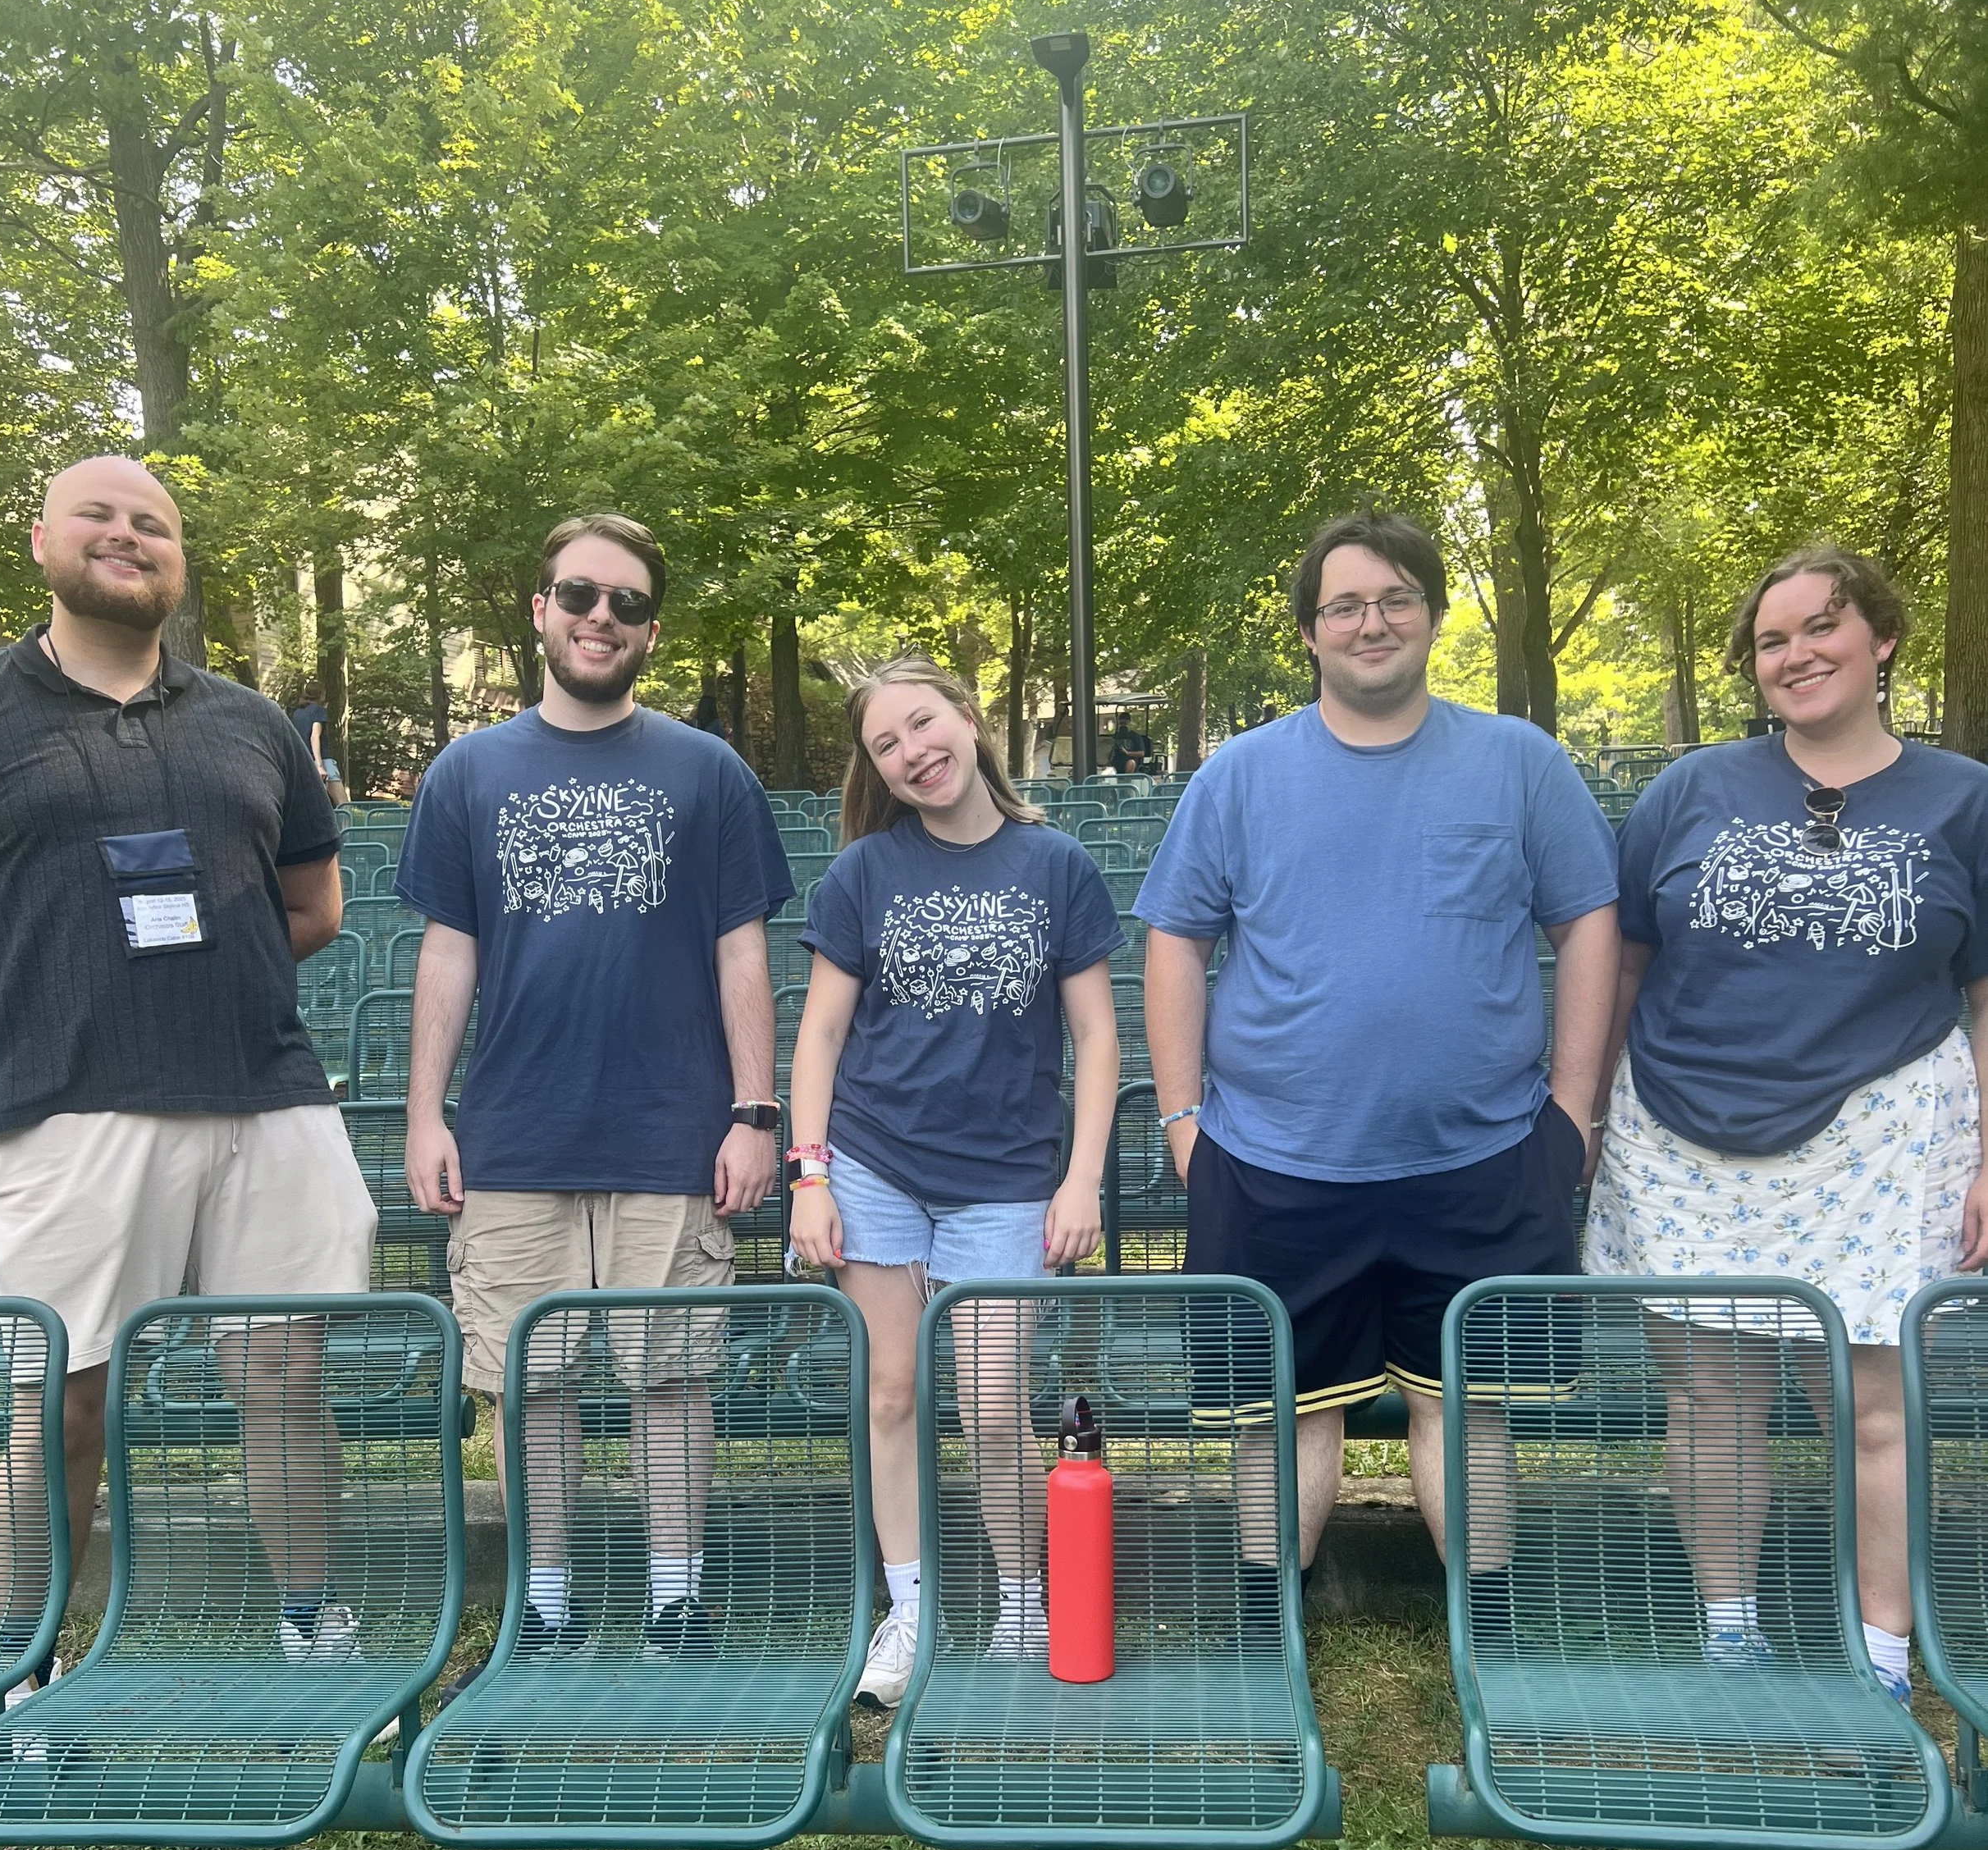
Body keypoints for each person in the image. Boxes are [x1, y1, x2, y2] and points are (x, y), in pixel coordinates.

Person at [0, 454, 376, 1682]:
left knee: (285, 1376)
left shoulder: (248, 721)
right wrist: (26, 975)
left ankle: (317, 1627)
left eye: (155, 524)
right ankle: (21, 1674)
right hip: (67, 1105)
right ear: (41, 541)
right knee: (68, 1402)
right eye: (100, 516)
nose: (128, 537)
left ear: (179, 561)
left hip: (266, 1093)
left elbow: (314, 903)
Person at [1139, 508, 1620, 1623]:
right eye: (1345, 603)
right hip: (1274, 1160)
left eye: (1397, 596)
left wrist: (1573, 1109)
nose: (1372, 621)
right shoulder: (1241, 774)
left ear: (1435, 614)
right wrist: (1180, 1119)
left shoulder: (1519, 762)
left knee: (1470, 1406)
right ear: (1308, 631)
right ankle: (1272, 1622)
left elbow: (1588, 920)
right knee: (1282, 1409)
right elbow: (1175, 939)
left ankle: (1484, 1626)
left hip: (1489, 1154)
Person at [1585, 544, 1988, 1703]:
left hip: (1885, 1129)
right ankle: (1730, 1631)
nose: (1798, 653)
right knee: (1714, 1398)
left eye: (1823, 627)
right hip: (1681, 1131)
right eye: (1773, 640)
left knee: (1872, 1405)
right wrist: (1591, 1117)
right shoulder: (1688, 792)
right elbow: (1623, 967)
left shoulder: (1964, 800)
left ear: (1882, 640)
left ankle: (1884, 1659)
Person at [399, 512, 791, 1659]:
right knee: (535, 1383)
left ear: (651, 630)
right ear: (540, 610)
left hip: (671, 1132)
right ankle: (547, 1597)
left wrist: (754, 1111)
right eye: (578, 595)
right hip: (515, 1135)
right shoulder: (470, 770)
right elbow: (448, 953)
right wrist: (428, 1113)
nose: (598, 618)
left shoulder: (707, 770)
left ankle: (677, 1593)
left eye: (623, 604)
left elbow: (741, 954)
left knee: (669, 1378)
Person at [788, 656, 1121, 1706]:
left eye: (922, 726)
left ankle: (1023, 1598)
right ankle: (912, 1603)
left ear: (969, 720)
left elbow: (1098, 1036)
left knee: (987, 1404)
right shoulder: (862, 875)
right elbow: (821, 1036)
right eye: (886, 746)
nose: (912, 754)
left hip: (1007, 1182)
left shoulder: (1055, 864)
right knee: (891, 1393)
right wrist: (811, 1175)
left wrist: (1081, 1183)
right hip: (877, 1162)